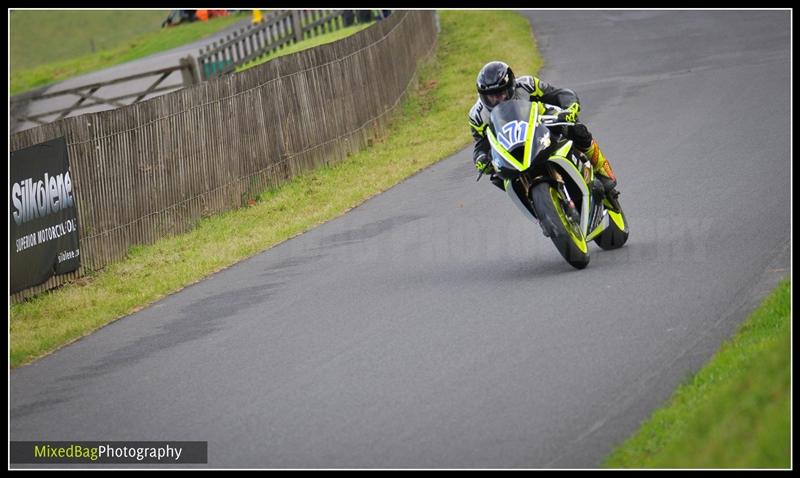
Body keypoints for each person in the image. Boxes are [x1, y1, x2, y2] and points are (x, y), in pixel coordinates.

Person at [468, 61, 618, 197]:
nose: (497, 100)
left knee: (576, 129)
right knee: (496, 175)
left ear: (511, 86)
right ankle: (538, 209)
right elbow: (482, 144)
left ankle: (601, 170)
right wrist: (480, 158)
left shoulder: (527, 85)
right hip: (511, 149)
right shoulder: (477, 116)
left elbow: (558, 95)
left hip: (542, 127)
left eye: (501, 93)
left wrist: (569, 109)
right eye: (491, 97)